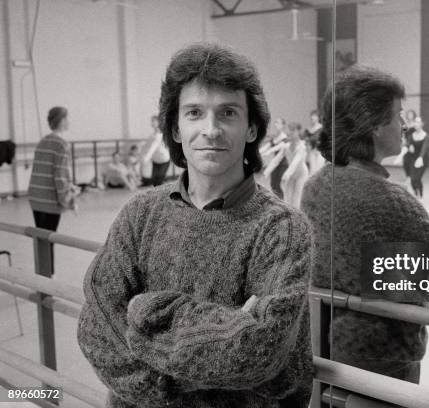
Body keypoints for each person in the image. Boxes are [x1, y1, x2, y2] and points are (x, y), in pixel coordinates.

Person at [77, 43, 314, 408]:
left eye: (228, 113)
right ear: (174, 128)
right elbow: (96, 329)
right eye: (194, 113)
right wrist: (223, 331)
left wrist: (143, 313)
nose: (211, 129)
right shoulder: (139, 213)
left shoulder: (282, 229)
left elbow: (258, 353)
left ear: (251, 128)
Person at [301, 65, 429, 384]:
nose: (403, 125)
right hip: (384, 356)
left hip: (325, 347)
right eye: (398, 116)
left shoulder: (314, 187)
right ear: (374, 125)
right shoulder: (391, 200)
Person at [28, 106, 79, 232]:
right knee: (49, 240)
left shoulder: (42, 142)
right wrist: (69, 200)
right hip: (50, 201)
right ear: (61, 120)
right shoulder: (62, 145)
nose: (69, 122)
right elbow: (61, 177)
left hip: (36, 198)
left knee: (41, 240)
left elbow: (39, 172)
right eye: (67, 119)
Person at [280, 122, 309, 208]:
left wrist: (286, 175)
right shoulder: (286, 146)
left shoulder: (302, 146)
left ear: (298, 132)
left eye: (293, 131)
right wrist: (266, 172)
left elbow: (295, 163)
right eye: (290, 131)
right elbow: (276, 160)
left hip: (301, 174)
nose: (290, 133)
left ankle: (298, 217)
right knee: (288, 196)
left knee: (297, 196)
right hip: (292, 174)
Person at [261, 118, 289, 198]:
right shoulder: (276, 137)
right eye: (275, 123)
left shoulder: (285, 138)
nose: (276, 124)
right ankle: (276, 205)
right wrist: (257, 152)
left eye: (278, 123)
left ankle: (281, 205)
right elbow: (267, 146)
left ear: (283, 125)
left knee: (279, 186)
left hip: (282, 164)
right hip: (275, 164)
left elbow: (277, 147)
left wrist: (268, 152)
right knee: (273, 185)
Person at [141, 115, 171, 186]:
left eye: (153, 121)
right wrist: (142, 154)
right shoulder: (151, 136)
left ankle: (164, 194)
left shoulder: (160, 135)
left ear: (158, 122)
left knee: (159, 180)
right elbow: (146, 147)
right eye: (151, 121)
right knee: (154, 182)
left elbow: (153, 148)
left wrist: (146, 158)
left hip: (164, 161)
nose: (152, 122)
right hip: (156, 161)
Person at [408, 116, 429, 199]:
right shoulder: (411, 135)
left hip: (423, 159)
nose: (416, 124)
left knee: (418, 178)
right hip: (413, 159)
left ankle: (421, 195)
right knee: (412, 180)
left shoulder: (425, 136)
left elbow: (424, 148)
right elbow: (407, 143)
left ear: (422, 124)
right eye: (415, 122)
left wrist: (420, 157)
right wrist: (409, 146)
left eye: (418, 122)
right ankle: (416, 192)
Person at [303, 109, 325, 174]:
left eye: (315, 116)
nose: (312, 117)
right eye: (311, 116)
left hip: (320, 153)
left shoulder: (322, 129)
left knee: (319, 171)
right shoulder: (307, 130)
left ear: (318, 117)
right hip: (311, 152)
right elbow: (305, 142)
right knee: (312, 172)